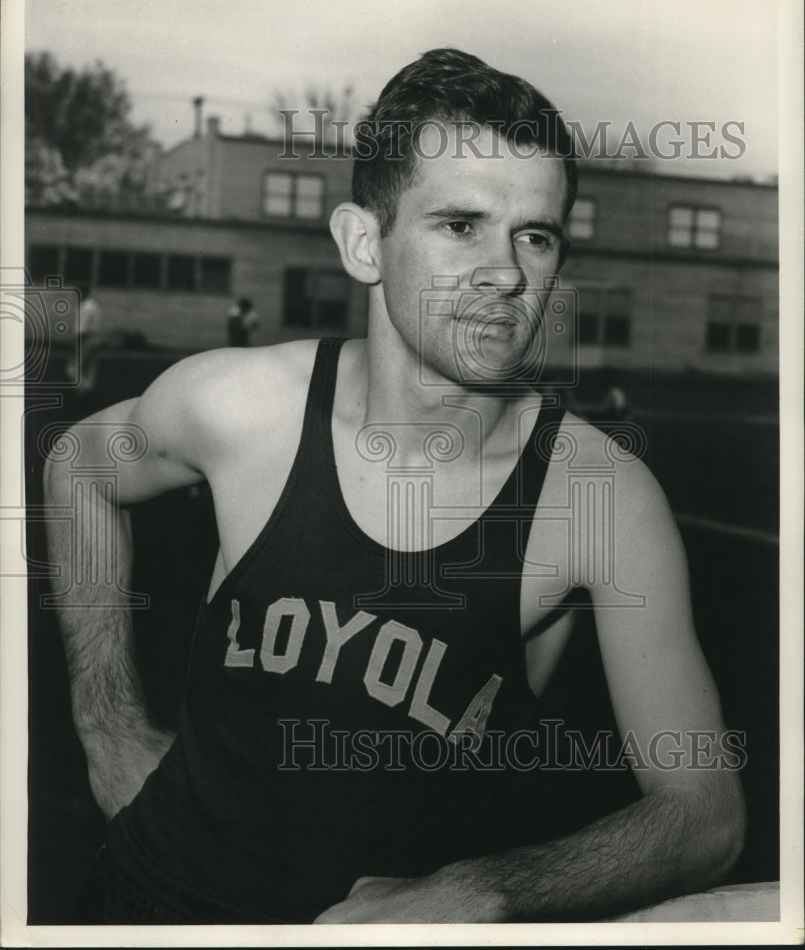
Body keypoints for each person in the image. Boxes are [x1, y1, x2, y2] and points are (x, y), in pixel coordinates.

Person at [43, 48, 745, 925]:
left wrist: (477, 890)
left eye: (535, 234)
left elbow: (703, 811)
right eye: (460, 225)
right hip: (150, 903)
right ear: (363, 243)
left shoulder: (599, 496)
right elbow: (77, 463)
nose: (506, 272)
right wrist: (105, 727)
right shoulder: (242, 406)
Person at [64, 283, 102, 400]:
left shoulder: (85, 307)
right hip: (95, 339)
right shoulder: (94, 305)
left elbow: (82, 330)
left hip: (85, 340)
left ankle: (82, 392)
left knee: (74, 368)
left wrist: (74, 344)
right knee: (89, 367)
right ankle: (88, 389)